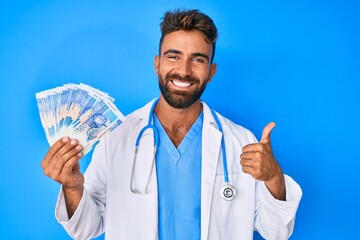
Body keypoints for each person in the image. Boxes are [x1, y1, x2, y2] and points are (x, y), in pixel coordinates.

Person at [41, 9, 302, 240]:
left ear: (211, 72)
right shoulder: (116, 137)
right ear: (157, 64)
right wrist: (73, 187)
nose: (184, 71)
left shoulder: (241, 141)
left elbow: (276, 232)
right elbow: (86, 229)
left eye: (198, 59)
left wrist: (274, 178)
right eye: (174, 57)